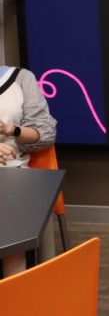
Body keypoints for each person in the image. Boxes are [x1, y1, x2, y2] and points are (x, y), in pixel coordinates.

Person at [0, 65, 57, 278]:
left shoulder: (20, 78)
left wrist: (11, 129)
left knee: (10, 234)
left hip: (12, 177)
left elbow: (45, 133)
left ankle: (16, 292)